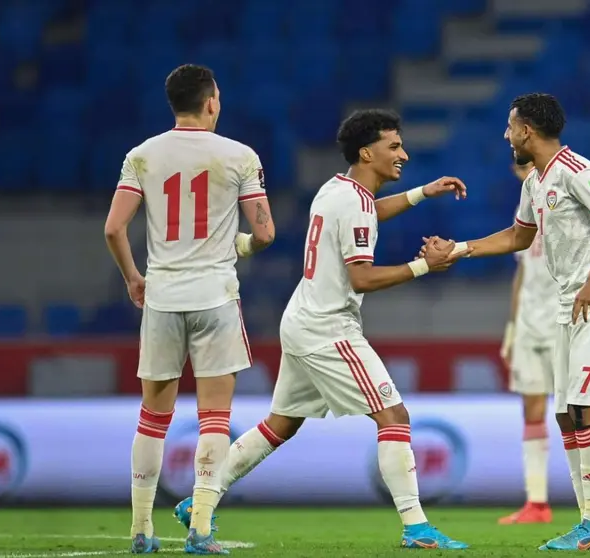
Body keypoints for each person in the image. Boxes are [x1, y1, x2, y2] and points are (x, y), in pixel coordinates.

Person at [173, 109, 471, 549]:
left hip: (302, 319)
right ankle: (416, 527)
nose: (403, 153)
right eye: (394, 146)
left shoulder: (339, 189)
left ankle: (200, 501)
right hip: (328, 327)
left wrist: (422, 193)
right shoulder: (353, 202)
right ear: (367, 152)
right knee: (395, 417)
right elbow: (362, 278)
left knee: (281, 424)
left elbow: (369, 214)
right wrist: (427, 264)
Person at [420, 93, 590, 551]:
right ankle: (588, 523)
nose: (505, 135)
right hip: (568, 307)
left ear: (527, 131)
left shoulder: (577, 171)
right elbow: (519, 236)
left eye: (509, 126)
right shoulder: (535, 182)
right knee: (565, 415)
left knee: (585, 410)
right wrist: (458, 249)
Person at [104, 64, 275, 555]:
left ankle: (140, 530)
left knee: (152, 417)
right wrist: (237, 246)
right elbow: (264, 233)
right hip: (215, 298)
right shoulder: (239, 156)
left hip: (162, 295)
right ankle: (199, 529)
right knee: (214, 419)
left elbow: (114, 229)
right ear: (212, 102)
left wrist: (134, 278)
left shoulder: (142, 156)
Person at [497, 158, 590, 526]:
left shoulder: (569, 192)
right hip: (529, 323)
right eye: (520, 169)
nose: (526, 172)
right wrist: (512, 326)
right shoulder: (526, 207)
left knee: (581, 410)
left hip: (568, 313)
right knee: (538, 411)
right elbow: (521, 274)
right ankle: (537, 502)